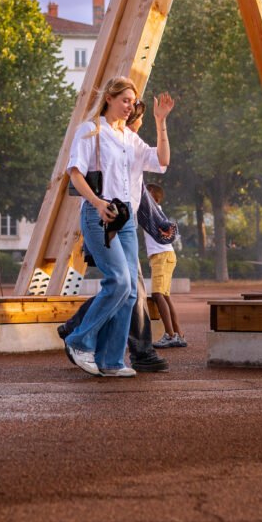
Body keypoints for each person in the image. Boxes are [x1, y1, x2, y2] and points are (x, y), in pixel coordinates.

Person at [64, 77, 174, 377]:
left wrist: (160, 121)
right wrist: (98, 203)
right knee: (121, 282)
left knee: (130, 293)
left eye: (133, 102)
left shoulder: (129, 138)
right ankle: (78, 341)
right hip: (99, 215)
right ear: (109, 99)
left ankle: (111, 360)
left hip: (126, 222)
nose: (130, 106)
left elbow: (162, 160)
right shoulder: (90, 131)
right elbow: (74, 174)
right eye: (125, 100)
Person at [145, 183, 186, 348]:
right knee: (165, 296)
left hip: (161, 256)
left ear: (153, 196)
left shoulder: (153, 211)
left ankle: (170, 335)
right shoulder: (154, 212)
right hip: (165, 255)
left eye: (146, 193)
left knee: (157, 295)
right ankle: (179, 334)